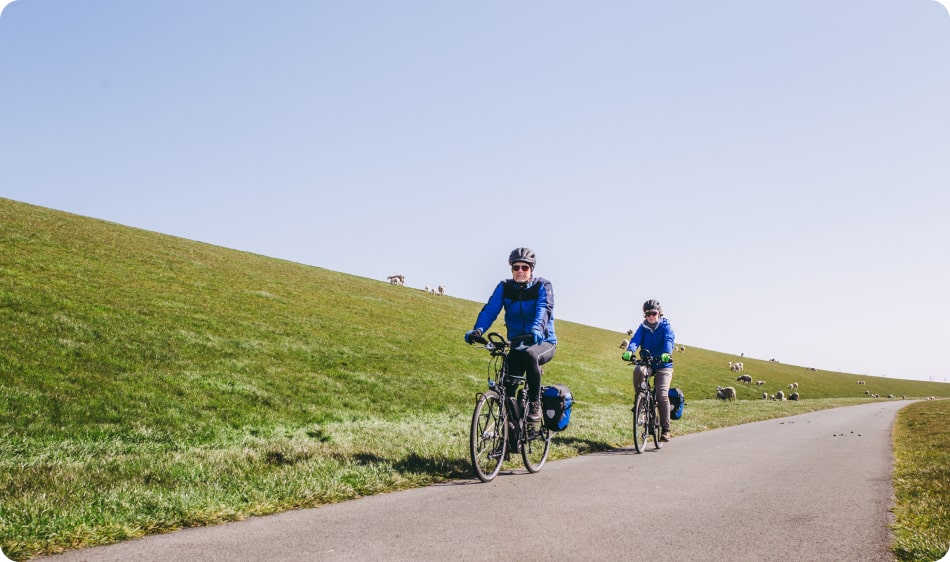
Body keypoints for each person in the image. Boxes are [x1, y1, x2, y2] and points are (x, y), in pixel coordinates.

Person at [465, 247, 557, 424]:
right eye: (516, 267)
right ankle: (509, 437)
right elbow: (490, 310)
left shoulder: (542, 286)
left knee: (531, 355)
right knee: (507, 390)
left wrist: (537, 329)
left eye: (525, 267)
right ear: (511, 269)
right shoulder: (505, 287)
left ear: (531, 270)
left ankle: (535, 403)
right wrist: (478, 330)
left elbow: (544, 308)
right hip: (517, 343)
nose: (520, 271)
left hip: (542, 341)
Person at [623, 299, 676, 441]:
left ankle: (666, 429)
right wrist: (630, 350)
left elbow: (669, 340)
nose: (651, 316)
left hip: (664, 364)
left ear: (659, 313)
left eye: (654, 313)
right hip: (648, 363)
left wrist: (666, 353)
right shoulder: (643, 327)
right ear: (645, 315)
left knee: (661, 395)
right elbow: (635, 339)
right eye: (648, 314)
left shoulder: (666, 326)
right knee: (638, 371)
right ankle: (640, 399)